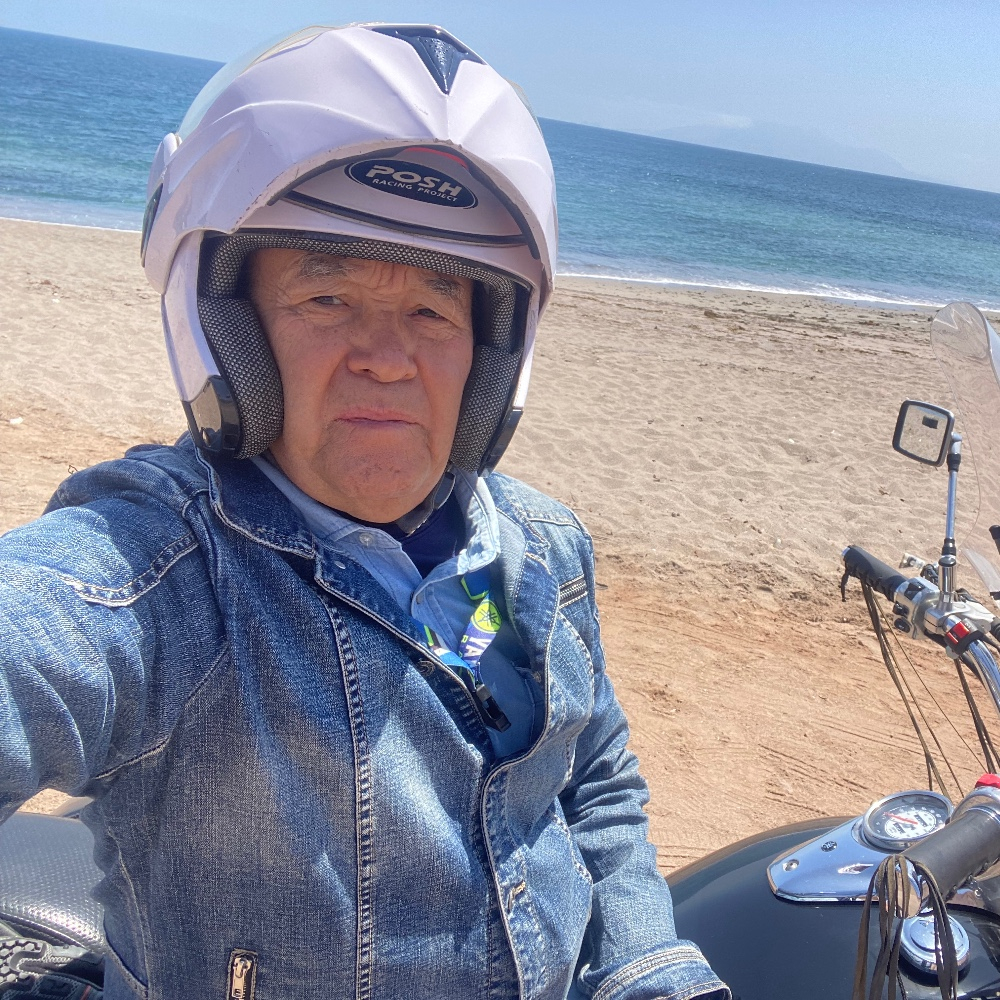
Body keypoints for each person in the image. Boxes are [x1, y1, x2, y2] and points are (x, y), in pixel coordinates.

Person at [0, 23, 729, 1000]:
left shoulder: (536, 549)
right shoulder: (168, 579)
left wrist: (647, 967)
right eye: (328, 296)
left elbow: (589, 772)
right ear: (227, 328)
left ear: (491, 356)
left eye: (433, 309)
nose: (387, 357)